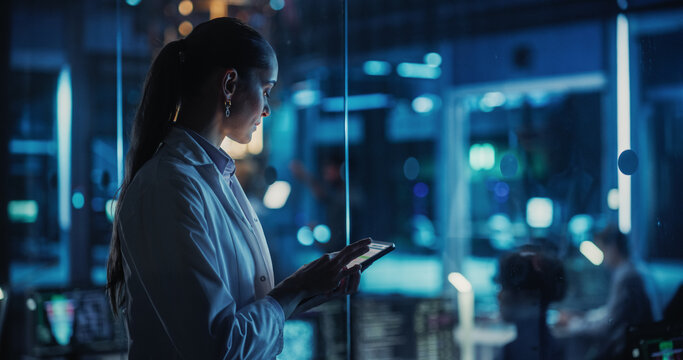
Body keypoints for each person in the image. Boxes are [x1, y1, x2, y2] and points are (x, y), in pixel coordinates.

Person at [105, 17, 370, 359]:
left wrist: (311, 287)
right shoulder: (168, 187)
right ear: (229, 84)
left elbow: (243, 313)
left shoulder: (212, 179)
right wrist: (293, 289)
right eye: (266, 90)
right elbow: (217, 346)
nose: (268, 108)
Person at [559, 224, 653, 359]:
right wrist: (582, 316)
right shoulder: (625, 271)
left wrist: (573, 326)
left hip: (625, 349)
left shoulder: (626, 276)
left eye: (602, 250)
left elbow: (608, 324)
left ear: (613, 248)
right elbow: (611, 312)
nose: (602, 257)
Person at [496, 246, 567, 360]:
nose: (499, 296)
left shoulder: (513, 352)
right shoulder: (553, 349)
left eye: (503, 287)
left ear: (527, 296)